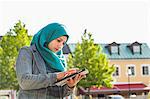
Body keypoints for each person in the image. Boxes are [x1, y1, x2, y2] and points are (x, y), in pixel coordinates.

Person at [15, 23, 86, 99]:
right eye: (58, 40)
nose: (60, 46)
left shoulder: (60, 60)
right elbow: (24, 82)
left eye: (63, 43)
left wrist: (70, 85)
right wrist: (56, 77)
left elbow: (61, 93)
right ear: (48, 37)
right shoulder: (28, 52)